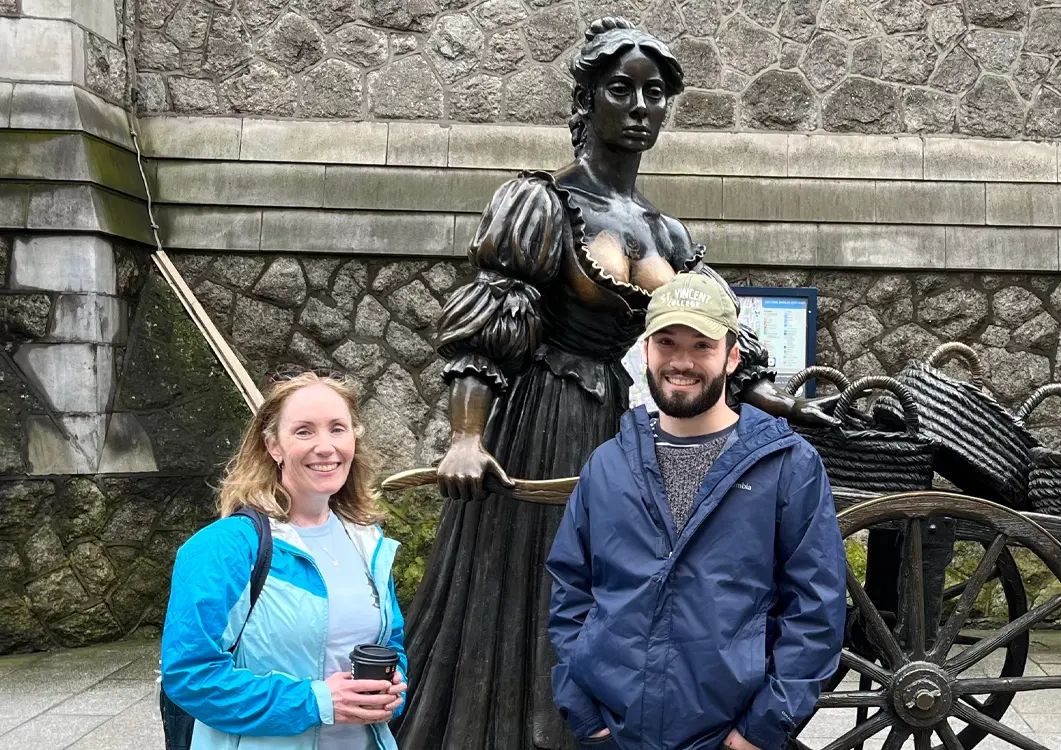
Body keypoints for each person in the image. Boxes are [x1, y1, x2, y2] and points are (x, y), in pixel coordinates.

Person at [393, 17, 836, 750]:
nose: (639, 107)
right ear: (586, 99)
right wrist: (466, 435)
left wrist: (786, 405)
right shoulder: (542, 203)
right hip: (536, 418)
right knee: (530, 585)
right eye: (620, 89)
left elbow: (711, 342)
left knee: (620, 587)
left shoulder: (667, 234)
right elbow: (491, 323)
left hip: (615, 428)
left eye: (655, 94)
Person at [546, 273, 848, 750]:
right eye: (666, 342)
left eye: (702, 346)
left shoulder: (787, 466)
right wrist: (586, 715)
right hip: (616, 736)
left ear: (731, 357)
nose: (681, 362)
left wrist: (760, 730)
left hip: (730, 737)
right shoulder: (607, 464)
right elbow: (570, 590)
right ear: (645, 351)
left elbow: (817, 610)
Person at [161, 371, 409, 749]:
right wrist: (316, 701)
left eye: (337, 429)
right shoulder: (225, 547)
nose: (325, 447)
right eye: (304, 431)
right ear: (273, 445)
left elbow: (390, 642)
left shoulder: (368, 542)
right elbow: (190, 674)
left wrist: (391, 689)